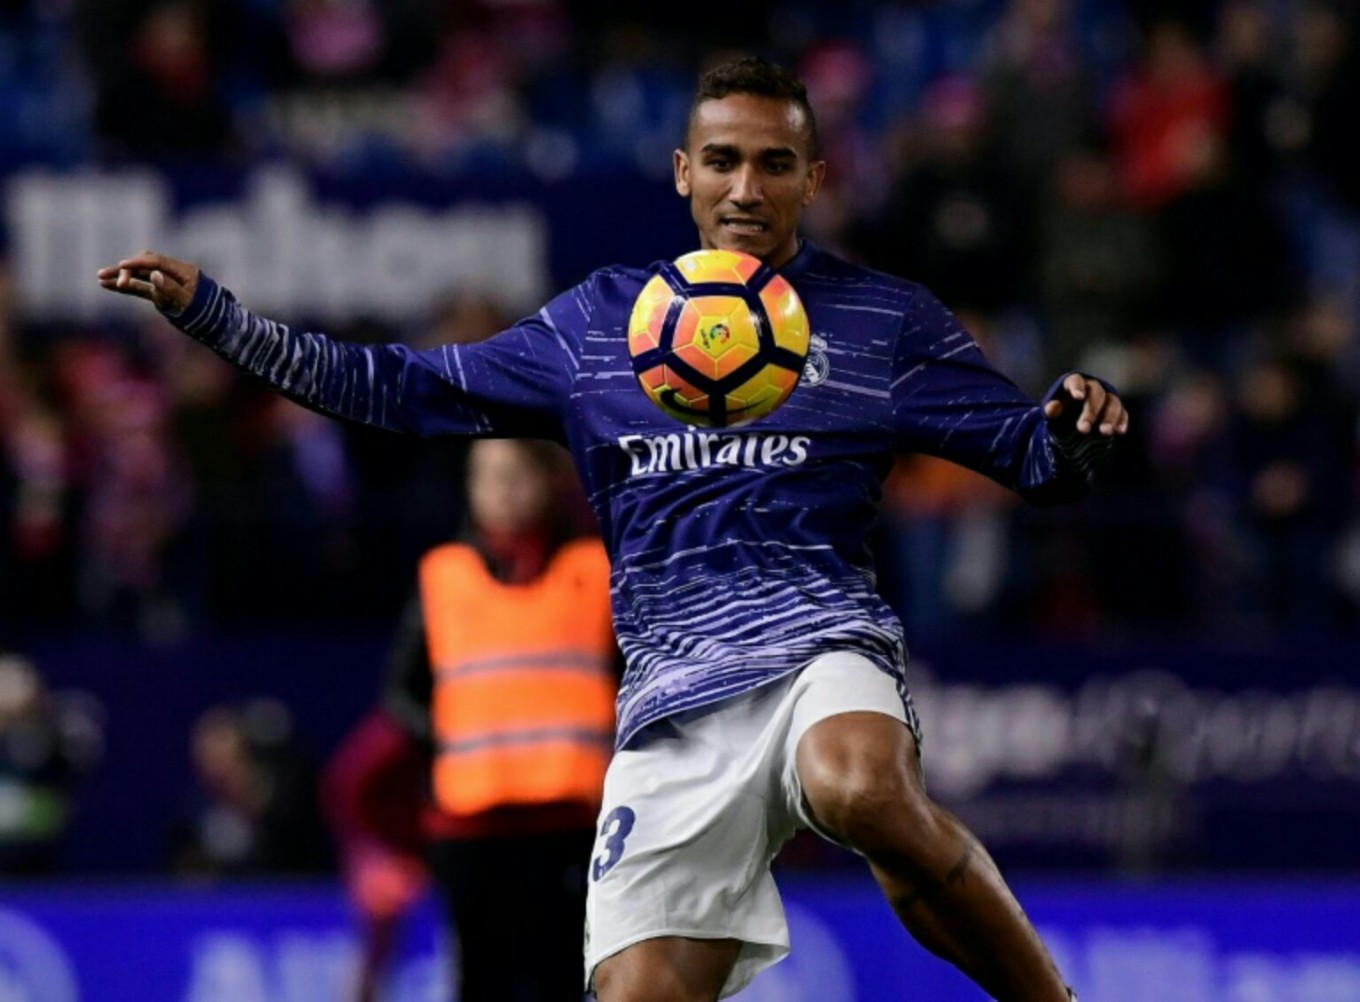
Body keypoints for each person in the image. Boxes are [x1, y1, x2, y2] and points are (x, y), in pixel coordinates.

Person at [98, 56, 1126, 1002]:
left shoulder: (880, 320)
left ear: (814, 179)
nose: (745, 188)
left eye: (775, 164)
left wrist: (1074, 429)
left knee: (856, 785)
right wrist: (218, 318)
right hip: (670, 707)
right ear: (683, 172)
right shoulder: (597, 326)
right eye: (722, 161)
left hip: (819, 648)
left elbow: (1030, 457)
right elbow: (397, 389)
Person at [321, 437, 614, 1002]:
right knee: (481, 983)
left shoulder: (595, 569)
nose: (502, 491)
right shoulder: (443, 576)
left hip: (575, 826)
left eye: (516, 476)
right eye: (487, 477)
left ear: (549, 482)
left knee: (564, 981)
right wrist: (446, 734)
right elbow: (402, 693)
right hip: (470, 830)